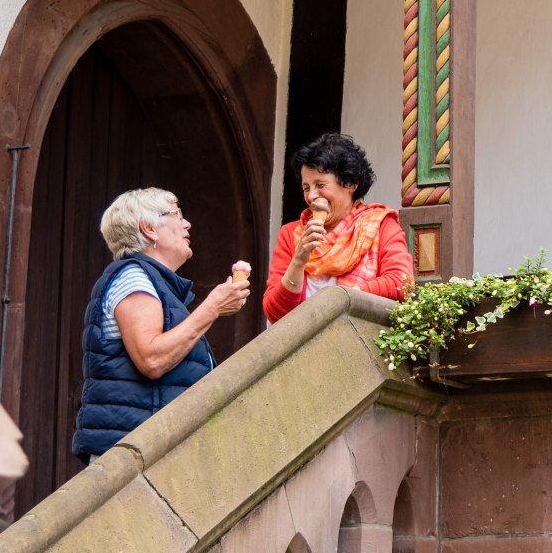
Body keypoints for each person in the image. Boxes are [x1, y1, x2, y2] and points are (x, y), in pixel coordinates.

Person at [72, 187, 250, 459]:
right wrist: (212, 308)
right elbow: (152, 360)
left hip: (145, 448)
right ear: (149, 229)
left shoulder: (151, 283)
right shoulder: (133, 279)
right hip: (135, 457)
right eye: (177, 214)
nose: (187, 223)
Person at [264, 133, 414, 323]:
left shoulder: (381, 225)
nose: (311, 196)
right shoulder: (291, 235)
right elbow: (274, 313)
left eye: (320, 185)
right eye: (306, 187)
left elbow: (401, 283)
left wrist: (342, 299)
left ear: (350, 183)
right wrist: (299, 260)